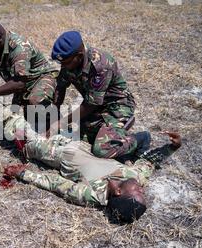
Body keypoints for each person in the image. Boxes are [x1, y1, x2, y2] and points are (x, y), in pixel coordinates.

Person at [1, 113, 181, 223]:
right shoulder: (135, 176)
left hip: (57, 152)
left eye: (137, 193)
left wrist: (23, 173)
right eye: (142, 192)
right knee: (141, 136)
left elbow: (55, 184)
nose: (141, 188)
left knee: (20, 129)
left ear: (118, 192)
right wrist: (173, 147)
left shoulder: (93, 194)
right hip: (83, 142)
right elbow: (149, 162)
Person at [49, 31, 150, 160]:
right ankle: (105, 128)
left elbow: (91, 104)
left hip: (117, 107)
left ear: (79, 56)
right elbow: (61, 86)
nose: (63, 66)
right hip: (97, 107)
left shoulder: (100, 66)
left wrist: (61, 122)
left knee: (101, 150)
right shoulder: (70, 62)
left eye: (65, 63)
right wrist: (54, 111)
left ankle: (140, 138)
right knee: (80, 140)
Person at [0, 19, 59, 109]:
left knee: (36, 102)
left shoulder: (19, 47)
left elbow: (19, 83)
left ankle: (55, 118)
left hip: (40, 79)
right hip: (22, 86)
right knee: (16, 116)